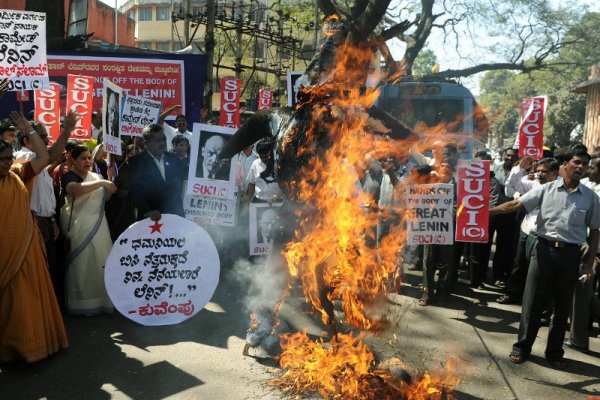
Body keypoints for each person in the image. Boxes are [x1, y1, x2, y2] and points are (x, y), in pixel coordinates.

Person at [491, 147, 600, 369]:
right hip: (542, 250)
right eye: (577, 162)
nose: (580, 167)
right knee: (532, 302)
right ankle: (522, 347)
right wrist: (484, 212)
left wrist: (588, 264)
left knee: (561, 306)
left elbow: (596, 230)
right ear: (566, 165)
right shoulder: (546, 189)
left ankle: (554, 352)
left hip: (570, 254)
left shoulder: (590, 198)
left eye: (584, 164)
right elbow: (516, 204)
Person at [1, 123, 68, 364]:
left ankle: (32, 347)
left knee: (28, 299)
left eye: (8, 158)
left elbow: (44, 156)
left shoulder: (18, 174)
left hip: (25, 248)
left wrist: (28, 129)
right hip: (4, 253)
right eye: (1, 160)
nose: (6, 163)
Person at [60, 145, 116, 316]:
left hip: (99, 226)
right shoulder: (69, 176)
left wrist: (109, 183)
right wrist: (102, 183)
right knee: (81, 265)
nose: (87, 161)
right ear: (74, 161)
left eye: (89, 158)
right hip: (78, 228)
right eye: (83, 158)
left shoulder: (98, 176)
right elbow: (74, 189)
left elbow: (104, 198)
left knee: (100, 262)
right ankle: (80, 304)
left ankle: (101, 302)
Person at [130, 123, 186, 221]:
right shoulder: (136, 162)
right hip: (151, 219)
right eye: (157, 140)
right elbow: (135, 191)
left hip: (175, 216)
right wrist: (147, 211)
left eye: (163, 139)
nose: (162, 143)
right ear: (146, 143)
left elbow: (180, 184)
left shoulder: (173, 158)